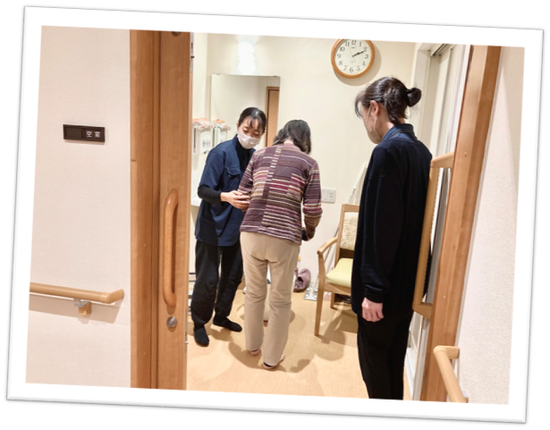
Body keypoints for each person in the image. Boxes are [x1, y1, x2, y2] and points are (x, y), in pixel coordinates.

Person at [351, 77, 432, 399]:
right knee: (393, 363)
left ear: (375, 108)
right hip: (407, 284)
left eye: (363, 116)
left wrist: (373, 290)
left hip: (383, 291)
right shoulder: (421, 152)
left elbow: (383, 226)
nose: (366, 125)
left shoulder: (387, 151)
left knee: (376, 371)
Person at [238, 120, 322, 370]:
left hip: (251, 234)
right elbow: (312, 208)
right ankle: (271, 359)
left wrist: (253, 215)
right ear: (305, 139)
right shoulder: (309, 163)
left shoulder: (259, 155)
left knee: (254, 293)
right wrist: (309, 231)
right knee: (281, 300)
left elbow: (242, 195)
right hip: (284, 236)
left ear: (282, 134)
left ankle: (253, 346)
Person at [191, 107, 266, 347]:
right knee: (208, 280)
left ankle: (221, 316)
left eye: (256, 133)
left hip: (239, 229)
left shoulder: (256, 158)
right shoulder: (220, 153)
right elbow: (203, 190)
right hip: (212, 228)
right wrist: (226, 197)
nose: (250, 136)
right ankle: (199, 322)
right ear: (237, 126)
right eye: (246, 129)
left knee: (232, 278)